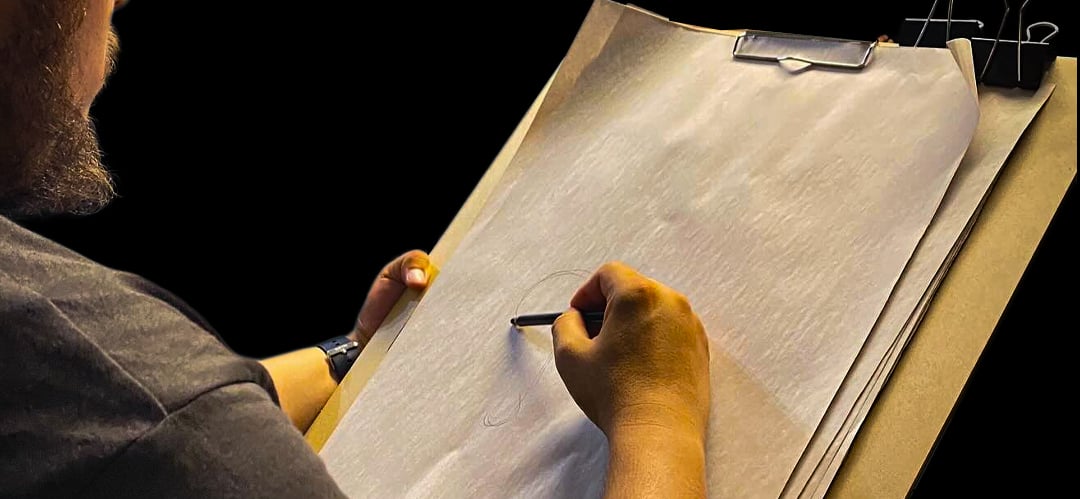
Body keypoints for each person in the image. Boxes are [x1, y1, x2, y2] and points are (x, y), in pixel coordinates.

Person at [0, 1, 710, 497]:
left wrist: (361, 354)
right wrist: (658, 420)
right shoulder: (160, 426)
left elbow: (175, 411)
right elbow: (172, 420)